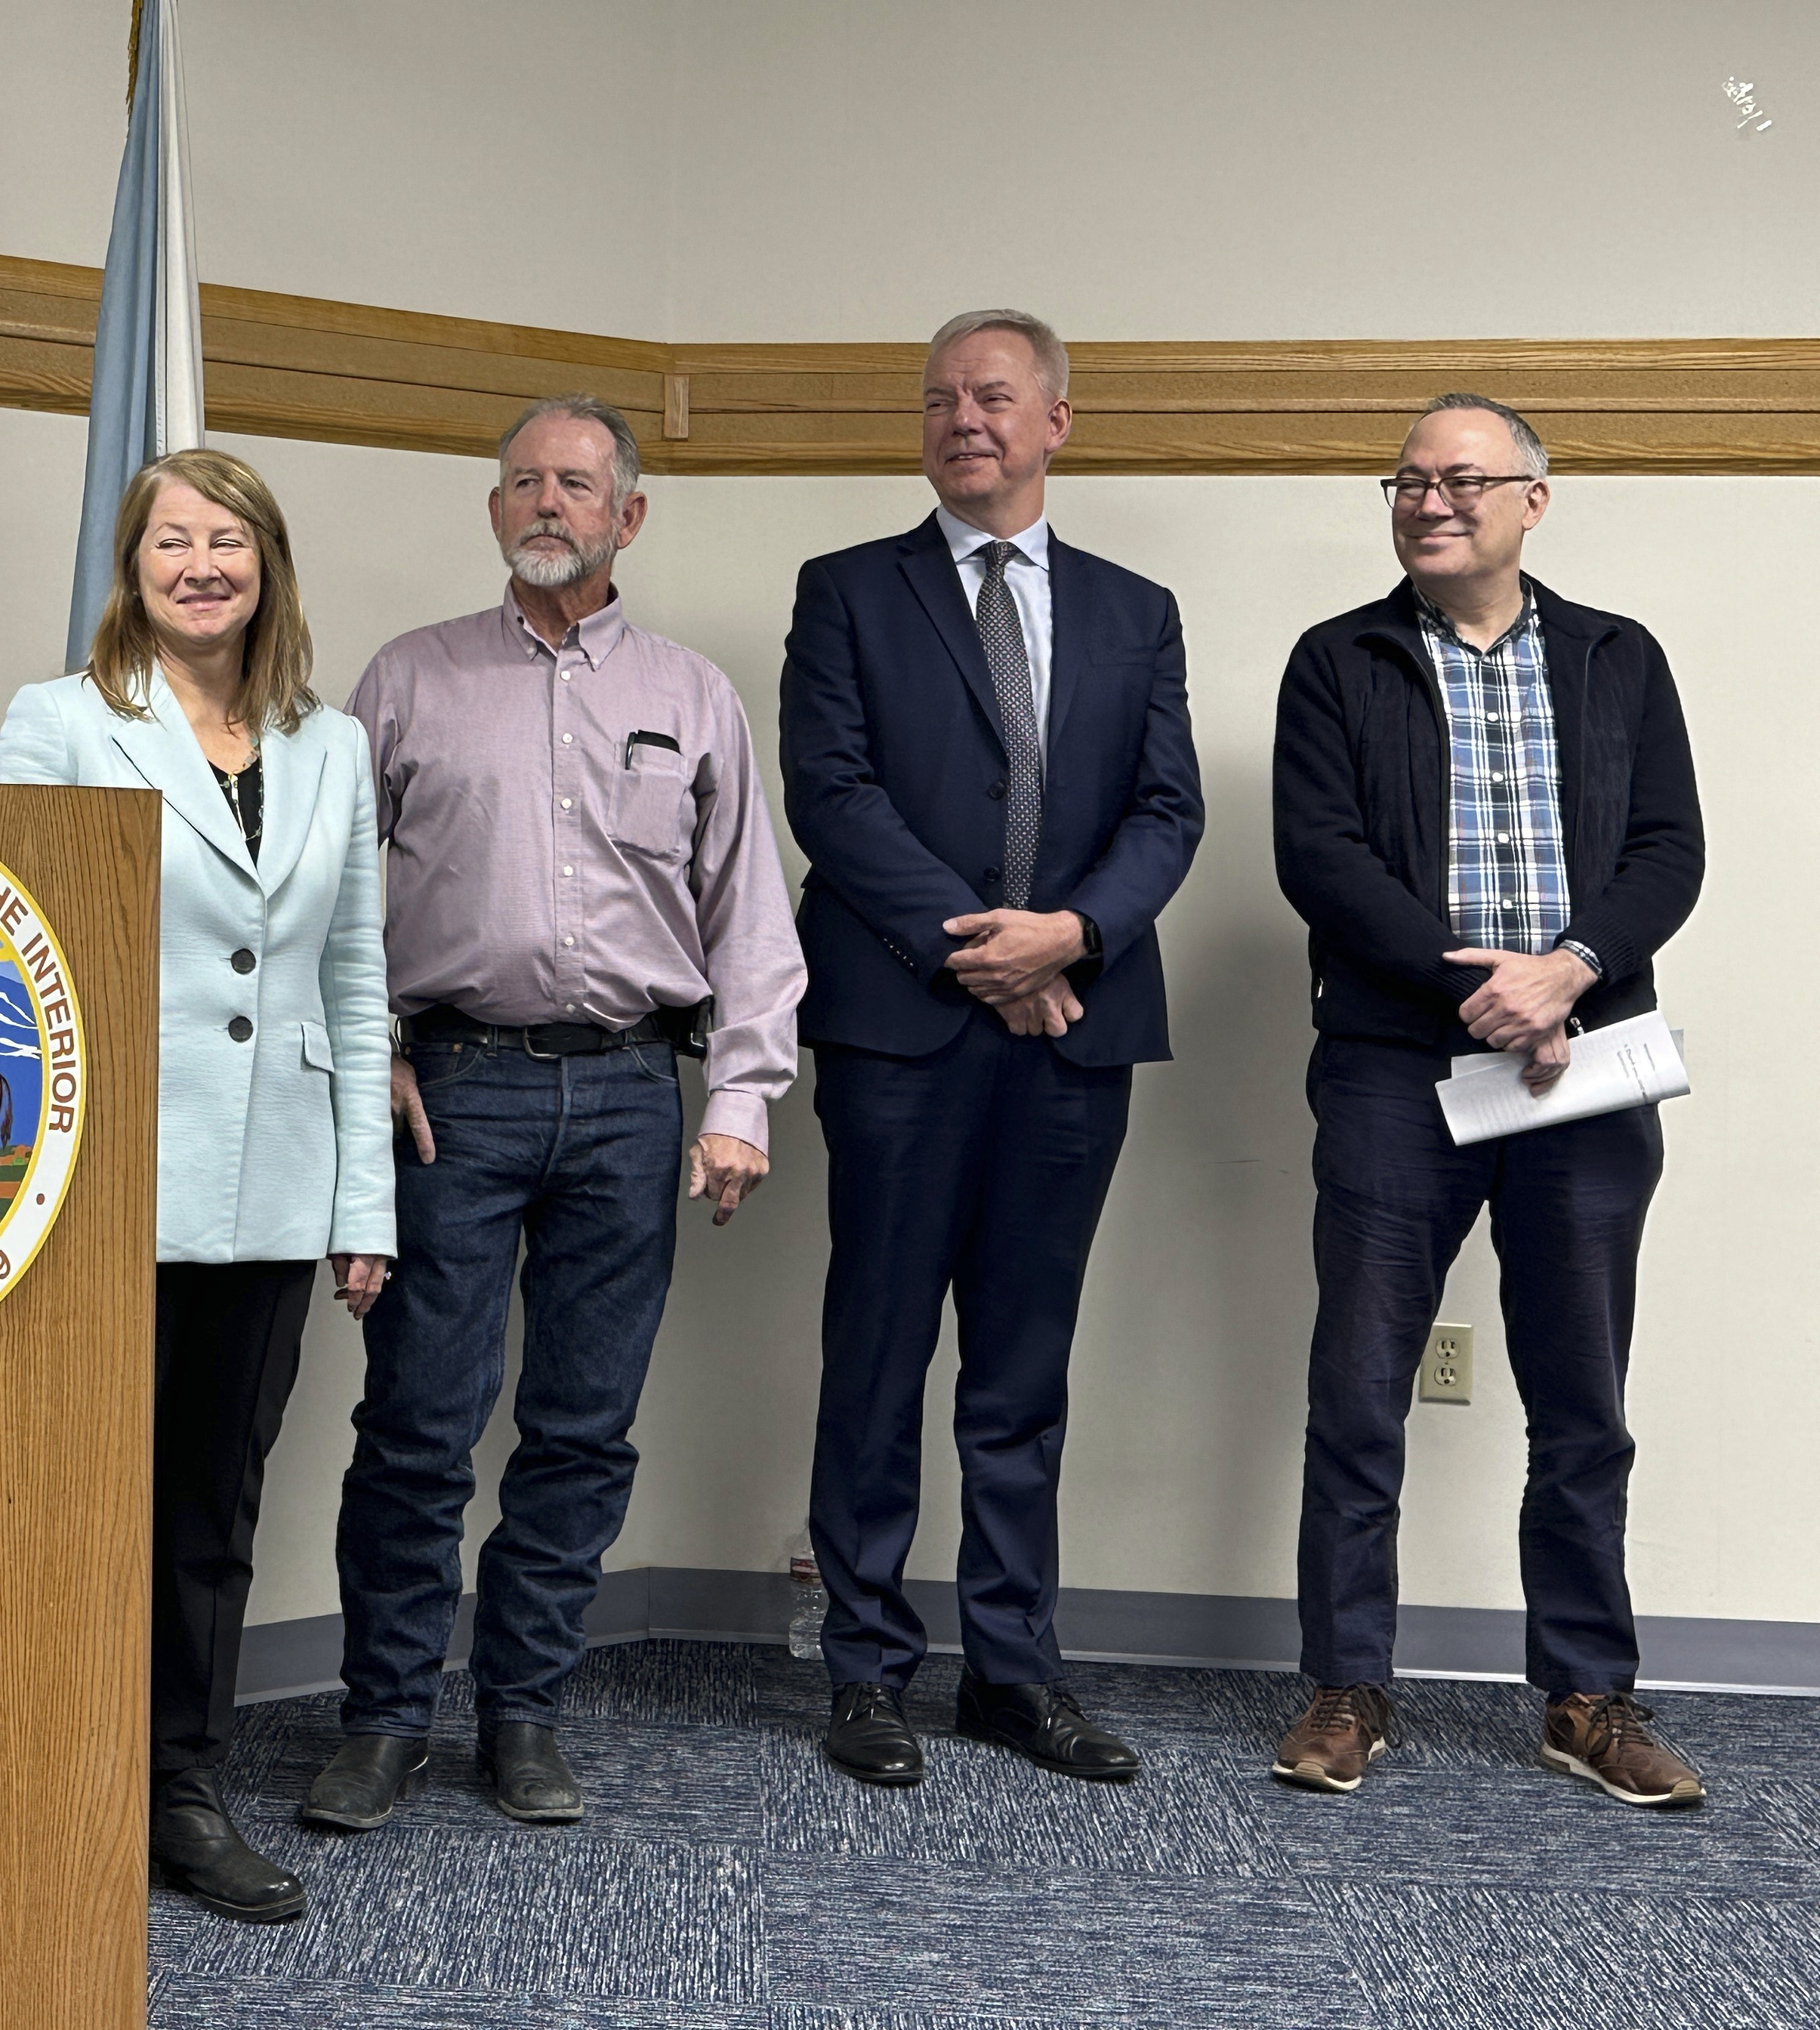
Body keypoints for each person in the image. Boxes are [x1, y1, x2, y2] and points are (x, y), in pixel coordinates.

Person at [304, 394, 806, 1833]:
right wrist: (367, 1056)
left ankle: (525, 1713)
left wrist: (744, 1101)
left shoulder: (694, 695)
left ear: (627, 517)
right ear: (494, 511)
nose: (547, 503)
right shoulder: (406, 682)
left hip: (636, 1099)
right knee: (417, 1421)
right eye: (523, 482)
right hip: (450, 1095)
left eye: (577, 485)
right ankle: (387, 1715)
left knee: (583, 1429)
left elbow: (749, 918)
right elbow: (334, 900)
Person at [779, 310, 1203, 1788]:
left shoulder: (1136, 610)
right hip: (903, 1031)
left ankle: (1013, 1671)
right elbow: (832, 801)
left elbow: (1168, 813)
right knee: (881, 1354)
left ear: (1056, 423)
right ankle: (869, 1671)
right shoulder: (847, 593)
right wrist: (989, 949)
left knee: (1023, 1367)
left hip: (1076, 1035)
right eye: (944, 398)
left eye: (997, 396)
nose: (967, 417)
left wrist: (1068, 939)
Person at [1269, 394, 1705, 1804]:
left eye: (1460, 479)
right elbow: (1320, 858)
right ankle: (1347, 1687)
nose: (1428, 500)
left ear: (1534, 500)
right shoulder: (1337, 662)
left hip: (1583, 1071)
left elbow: (1669, 849)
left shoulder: (1616, 659)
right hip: (1399, 1069)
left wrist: (1569, 972)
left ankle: (1589, 1696)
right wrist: (1484, 993)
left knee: (1582, 1395)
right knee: (1360, 1386)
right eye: (1405, 480)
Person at [0, 446, 393, 1922]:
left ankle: (175, 1782)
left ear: (268, 564)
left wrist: (367, 1206)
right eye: (174, 540)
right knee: (79, 1493)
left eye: (229, 540)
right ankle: (49, 1774)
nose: (201, 564)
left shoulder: (332, 743)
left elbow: (356, 977)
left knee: (212, 1506)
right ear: (133, 563)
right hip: (101, 1178)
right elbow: (0, 950)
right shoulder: (62, 724)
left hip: (276, 1177)